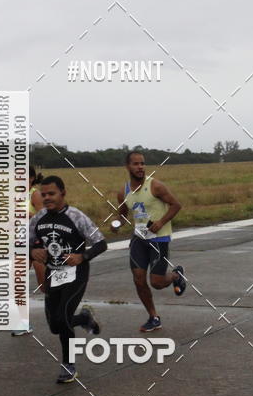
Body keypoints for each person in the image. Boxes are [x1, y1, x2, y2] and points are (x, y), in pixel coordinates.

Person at [30, 176, 106, 383]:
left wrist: (82, 256)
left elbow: (101, 243)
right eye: (43, 194)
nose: (47, 198)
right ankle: (84, 318)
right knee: (55, 326)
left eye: (51, 194)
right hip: (53, 274)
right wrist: (32, 252)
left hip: (76, 274)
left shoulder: (76, 216)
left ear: (63, 193)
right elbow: (23, 243)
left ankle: (68, 365)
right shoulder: (38, 219)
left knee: (63, 319)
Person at [115, 151, 186, 332]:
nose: (140, 167)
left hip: (159, 239)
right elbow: (122, 214)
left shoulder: (155, 186)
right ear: (127, 167)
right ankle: (153, 317)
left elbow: (176, 205)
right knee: (139, 280)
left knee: (157, 282)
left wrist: (161, 222)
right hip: (139, 239)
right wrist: (117, 224)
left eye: (142, 163)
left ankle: (176, 275)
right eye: (136, 164)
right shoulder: (123, 192)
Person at [12, 166, 46, 337]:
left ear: (31, 178)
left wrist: (27, 216)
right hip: (21, 244)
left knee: (44, 286)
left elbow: (43, 218)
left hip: (37, 243)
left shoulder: (35, 194)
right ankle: (23, 322)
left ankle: (66, 312)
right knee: (17, 282)